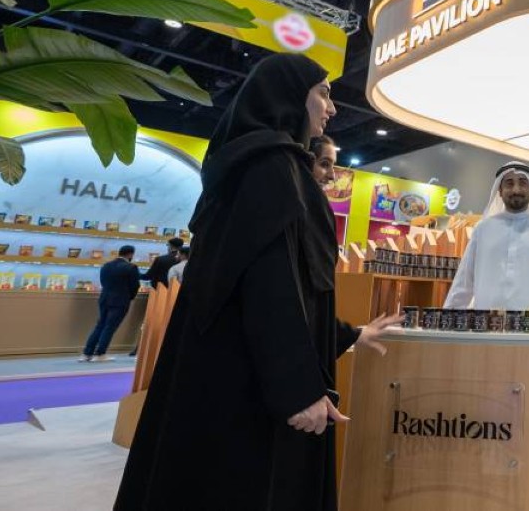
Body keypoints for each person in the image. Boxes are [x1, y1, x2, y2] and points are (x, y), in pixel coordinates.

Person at [116, 54, 402, 511]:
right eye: (324, 92)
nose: (332, 108)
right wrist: (298, 389)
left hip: (230, 373)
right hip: (249, 390)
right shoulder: (273, 167)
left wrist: (350, 334)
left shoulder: (249, 165)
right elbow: (272, 285)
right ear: (288, 94)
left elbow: (279, 285)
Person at [444, 161, 529, 329]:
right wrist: (447, 324)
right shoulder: (483, 229)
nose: (516, 189)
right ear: (499, 191)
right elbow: (464, 282)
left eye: (523, 182)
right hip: (486, 330)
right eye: (509, 183)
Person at [80, 245, 141, 362]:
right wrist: (130, 297)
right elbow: (135, 286)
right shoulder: (131, 267)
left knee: (100, 325)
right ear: (130, 254)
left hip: (104, 298)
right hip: (121, 300)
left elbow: (103, 281)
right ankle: (100, 353)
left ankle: (87, 353)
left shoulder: (106, 265)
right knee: (110, 327)